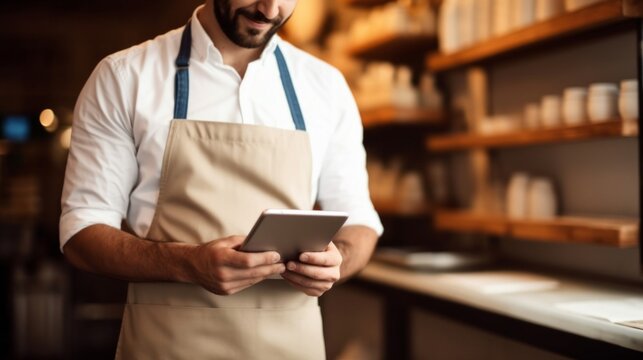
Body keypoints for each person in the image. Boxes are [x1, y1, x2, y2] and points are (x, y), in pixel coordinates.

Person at [60, 0, 383, 359]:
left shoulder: (326, 87)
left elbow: (359, 222)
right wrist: (187, 263)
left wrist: (337, 264)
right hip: (168, 346)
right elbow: (81, 232)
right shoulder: (124, 77)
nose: (270, 9)